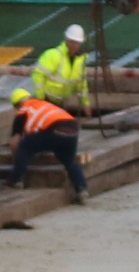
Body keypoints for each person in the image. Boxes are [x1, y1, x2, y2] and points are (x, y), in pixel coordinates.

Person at [7, 26, 92, 202]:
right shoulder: (53, 56)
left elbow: (16, 140)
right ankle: (82, 189)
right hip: (69, 124)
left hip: (56, 121)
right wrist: (41, 99)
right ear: (67, 40)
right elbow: (39, 76)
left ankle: (16, 180)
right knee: (68, 160)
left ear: (17, 104)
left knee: (26, 146)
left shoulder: (25, 110)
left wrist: (19, 152)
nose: (74, 46)